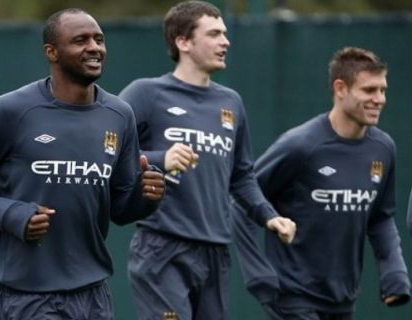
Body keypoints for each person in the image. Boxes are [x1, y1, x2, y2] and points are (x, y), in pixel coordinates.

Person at [0, 8, 165, 320]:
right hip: (28, 295)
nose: (94, 47)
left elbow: (122, 209)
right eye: (80, 40)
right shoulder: (12, 110)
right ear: (52, 52)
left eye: (99, 39)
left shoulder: (119, 115)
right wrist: (13, 214)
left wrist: (148, 196)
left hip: (94, 293)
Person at [118, 1, 296, 319]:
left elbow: (242, 176)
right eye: (214, 34)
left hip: (215, 252)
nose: (225, 41)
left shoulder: (231, 103)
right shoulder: (146, 93)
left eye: (225, 34)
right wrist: (160, 158)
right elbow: (106, 152)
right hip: (161, 249)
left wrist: (269, 216)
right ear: (183, 42)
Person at [232, 46, 411, 320]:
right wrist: (259, 275)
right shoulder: (301, 145)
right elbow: (243, 200)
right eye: (369, 90)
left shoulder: (383, 148)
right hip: (292, 295)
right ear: (340, 89)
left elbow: (380, 218)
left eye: (383, 90)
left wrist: (394, 274)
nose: (380, 99)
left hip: (342, 299)